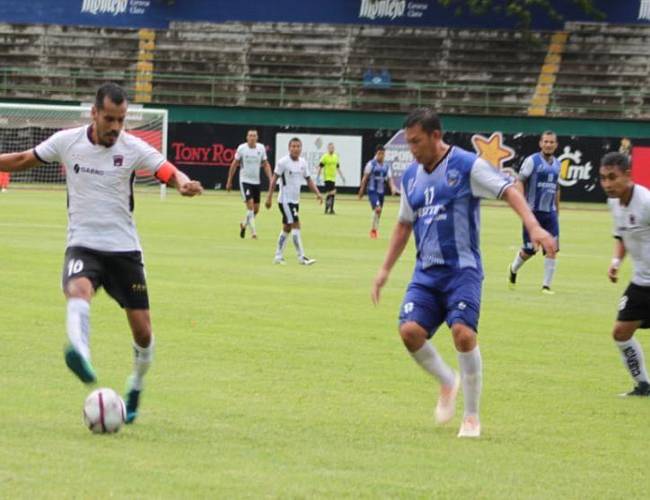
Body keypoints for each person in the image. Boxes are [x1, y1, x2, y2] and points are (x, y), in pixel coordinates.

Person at [0, 83, 203, 423]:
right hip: (83, 243)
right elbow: (23, 159)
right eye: (109, 118)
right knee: (78, 290)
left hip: (124, 251)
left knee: (143, 332)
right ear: (94, 113)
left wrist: (182, 182)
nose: (115, 127)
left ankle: (136, 384)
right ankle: (79, 352)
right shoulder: (68, 141)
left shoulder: (132, 147)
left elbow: (165, 169)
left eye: (121, 120)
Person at [371, 108, 555, 438]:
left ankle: (471, 417)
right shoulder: (412, 176)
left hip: (462, 271)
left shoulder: (466, 165)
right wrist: (384, 270)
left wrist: (534, 227)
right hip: (426, 273)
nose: (412, 149)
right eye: (408, 143)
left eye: (416, 142)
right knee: (409, 332)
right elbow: (403, 224)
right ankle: (447, 381)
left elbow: (510, 190)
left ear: (435, 136)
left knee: (463, 334)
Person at [600, 152, 650, 396]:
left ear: (628, 175)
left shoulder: (646, 202)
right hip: (641, 283)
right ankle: (643, 385)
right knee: (621, 332)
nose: (607, 184)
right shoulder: (614, 203)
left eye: (613, 177)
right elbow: (622, 234)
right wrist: (616, 261)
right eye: (603, 178)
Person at [508, 131, 561, 294]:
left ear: (556, 145)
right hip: (533, 213)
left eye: (552, 142)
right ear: (540, 143)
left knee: (552, 248)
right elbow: (520, 181)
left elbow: (557, 188)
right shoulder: (532, 161)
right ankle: (513, 268)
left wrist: (557, 209)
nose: (549, 144)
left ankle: (546, 286)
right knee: (530, 250)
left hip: (550, 213)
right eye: (546, 142)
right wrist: (524, 206)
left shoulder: (558, 164)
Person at [265, 137, 323, 265]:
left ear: (301, 148)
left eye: (298, 146)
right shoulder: (283, 162)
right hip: (285, 201)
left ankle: (278, 256)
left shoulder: (302, 162)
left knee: (286, 228)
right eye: (293, 146)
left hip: (295, 201)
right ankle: (301, 257)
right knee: (296, 224)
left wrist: (318, 193)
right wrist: (269, 197)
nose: (296, 149)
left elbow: (308, 180)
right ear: (289, 148)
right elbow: (274, 179)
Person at [226, 129, 272, 239]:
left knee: (256, 210)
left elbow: (265, 164)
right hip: (245, 181)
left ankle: (244, 224)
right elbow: (234, 164)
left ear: (257, 138)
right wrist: (229, 180)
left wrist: (271, 179)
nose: (252, 138)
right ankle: (254, 233)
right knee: (250, 207)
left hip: (256, 182)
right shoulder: (242, 148)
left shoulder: (261, 148)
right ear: (247, 137)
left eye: (254, 136)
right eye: (250, 136)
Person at [358, 145, 397, 239]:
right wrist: (361, 190)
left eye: (383, 154)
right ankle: (373, 231)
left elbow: (390, 178)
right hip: (372, 190)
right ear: (376, 154)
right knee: (378, 209)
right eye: (379, 154)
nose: (381, 156)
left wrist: (392, 188)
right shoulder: (371, 164)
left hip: (381, 192)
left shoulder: (387, 166)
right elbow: (365, 177)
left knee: (378, 212)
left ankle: (374, 229)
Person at [317, 142, 345, 215]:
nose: (331, 149)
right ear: (328, 148)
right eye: (330, 147)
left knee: (331, 195)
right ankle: (329, 209)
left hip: (333, 178)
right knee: (333, 192)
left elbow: (338, 168)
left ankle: (329, 209)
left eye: (332, 147)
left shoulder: (336, 157)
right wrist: (318, 175)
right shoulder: (325, 157)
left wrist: (342, 177)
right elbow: (320, 166)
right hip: (327, 178)